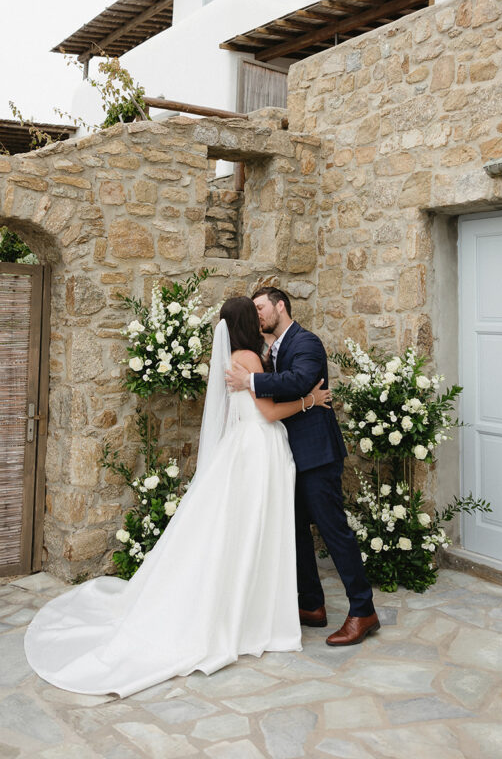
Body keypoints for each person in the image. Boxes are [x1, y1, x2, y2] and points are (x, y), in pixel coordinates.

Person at [24, 296, 331, 697]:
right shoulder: (249, 359)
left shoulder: (232, 357)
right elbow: (269, 414)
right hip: (259, 449)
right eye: (252, 314)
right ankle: (254, 614)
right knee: (257, 526)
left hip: (245, 447)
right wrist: (312, 400)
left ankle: (249, 605)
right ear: (244, 324)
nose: (259, 319)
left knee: (243, 528)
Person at [226, 287, 379, 647]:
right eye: (254, 310)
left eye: (261, 307)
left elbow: (298, 381)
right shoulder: (266, 351)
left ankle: (363, 610)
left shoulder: (306, 342)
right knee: (294, 531)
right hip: (285, 456)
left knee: (333, 531)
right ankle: (311, 605)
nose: (258, 314)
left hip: (317, 456)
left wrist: (249, 381)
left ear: (281, 306)